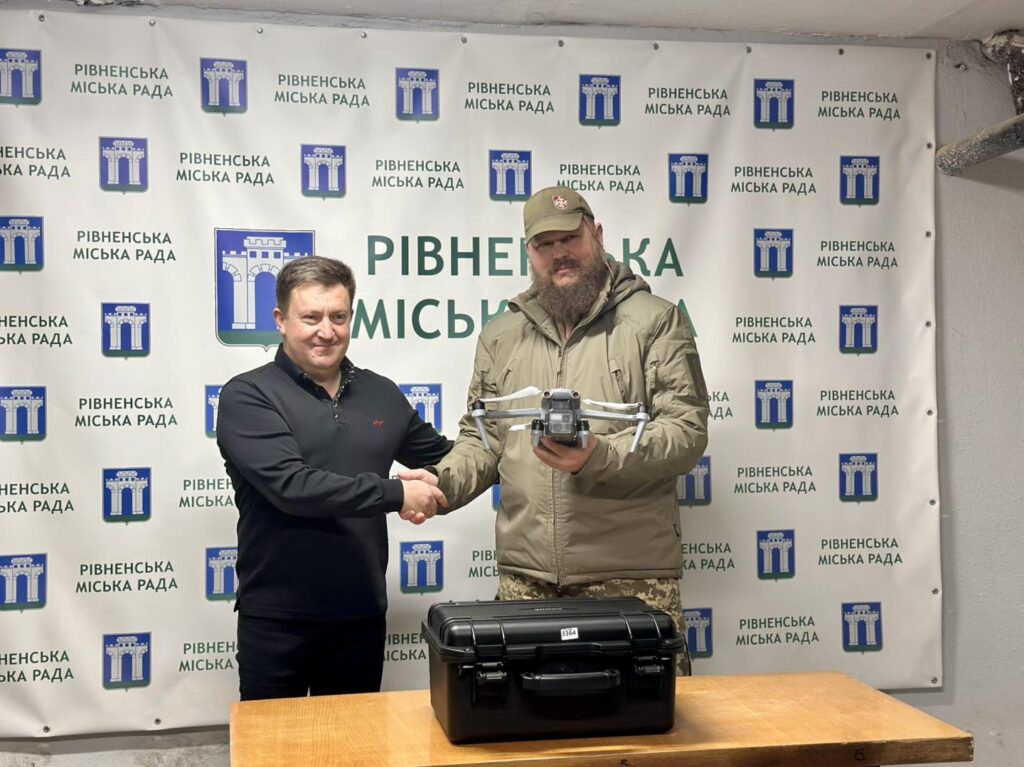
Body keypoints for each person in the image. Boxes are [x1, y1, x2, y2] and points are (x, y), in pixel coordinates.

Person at [402, 186, 708, 672]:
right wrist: (441, 483)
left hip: (631, 580)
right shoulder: (500, 335)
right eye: (544, 244)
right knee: (524, 715)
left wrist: (598, 455)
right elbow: (483, 439)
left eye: (570, 238)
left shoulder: (656, 321)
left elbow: (686, 433)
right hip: (525, 582)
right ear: (529, 252)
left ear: (597, 234)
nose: (559, 253)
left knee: (643, 717)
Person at [216, 256, 451, 700]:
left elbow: (446, 458)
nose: (326, 331)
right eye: (311, 317)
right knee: (273, 743)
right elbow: (293, 487)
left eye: (338, 317)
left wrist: (509, 447)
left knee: (354, 740)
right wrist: (398, 493)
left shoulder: (381, 392)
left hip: (360, 615)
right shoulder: (248, 394)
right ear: (281, 320)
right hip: (277, 620)